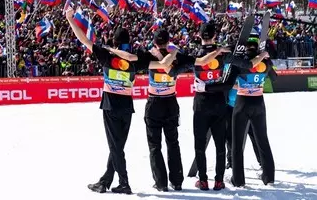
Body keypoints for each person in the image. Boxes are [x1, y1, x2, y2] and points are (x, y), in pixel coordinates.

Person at [65, 8, 177, 194]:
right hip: (127, 107)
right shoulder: (137, 58)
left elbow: (83, 39)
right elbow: (165, 65)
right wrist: (172, 52)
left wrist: (70, 19)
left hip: (110, 106)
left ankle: (124, 182)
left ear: (115, 42)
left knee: (115, 146)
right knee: (117, 145)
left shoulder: (107, 54)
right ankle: (105, 181)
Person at [104, 29, 230, 192]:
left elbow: (128, 58)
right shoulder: (176, 55)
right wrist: (218, 50)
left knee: (155, 145)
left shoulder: (148, 54)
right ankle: (177, 181)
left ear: (155, 42)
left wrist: (110, 49)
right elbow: (202, 61)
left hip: (154, 103)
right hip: (171, 103)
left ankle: (161, 183)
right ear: (168, 41)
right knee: (173, 143)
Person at [189, 22, 268, 191]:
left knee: (200, 143)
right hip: (220, 102)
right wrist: (262, 55)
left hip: (202, 103)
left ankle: (203, 180)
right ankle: (219, 180)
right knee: (221, 143)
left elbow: (175, 69)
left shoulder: (194, 54)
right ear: (215, 36)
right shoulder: (225, 54)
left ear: (199, 36)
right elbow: (247, 65)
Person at [230, 33, 276, 187]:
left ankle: (238, 180)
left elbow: (229, 80)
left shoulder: (241, 61)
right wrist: (266, 58)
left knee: (237, 144)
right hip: (258, 102)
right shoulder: (264, 60)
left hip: (242, 102)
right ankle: (269, 177)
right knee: (262, 140)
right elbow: (274, 78)